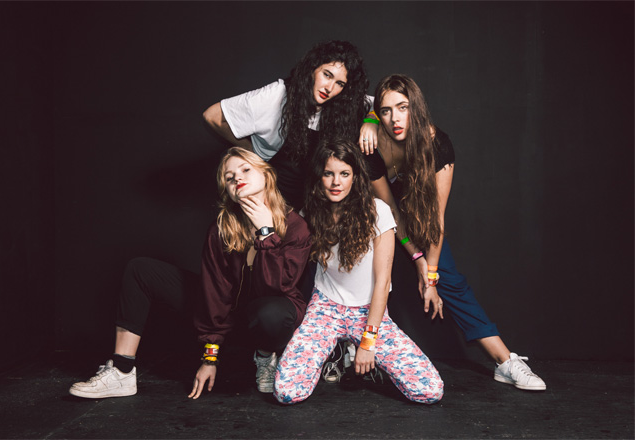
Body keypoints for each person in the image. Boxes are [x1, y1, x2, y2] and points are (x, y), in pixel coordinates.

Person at [69, 147, 311, 399]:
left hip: (268, 319)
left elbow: (277, 287)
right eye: (229, 177)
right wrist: (210, 357)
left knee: (270, 311)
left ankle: (265, 356)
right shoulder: (222, 228)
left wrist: (266, 234)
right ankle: (122, 371)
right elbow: (215, 292)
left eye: (246, 169)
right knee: (140, 269)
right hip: (231, 317)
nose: (237, 178)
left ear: (267, 175)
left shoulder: (296, 228)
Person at [362, 74, 546, 391]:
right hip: (376, 217)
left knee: (449, 282)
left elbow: (436, 219)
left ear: (416, 107)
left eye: (403, 107)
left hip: (419, 218)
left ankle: (505, 361)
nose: (395, 118)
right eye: (386, 111)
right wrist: (416, 258)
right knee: (364, 275)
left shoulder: (437, 145)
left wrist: (430, 274)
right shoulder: (372, 145)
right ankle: (349, 350)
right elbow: (389, 210)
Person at [273, 140, 444, 404]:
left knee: (430, 391)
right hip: (325, 307)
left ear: (355, 177)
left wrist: (368, 342)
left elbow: (382, 282)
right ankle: (334, 351)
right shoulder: (310, 213)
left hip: (368, 311)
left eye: (344, 174)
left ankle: (351, 346)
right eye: (328, 173)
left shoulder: (378, 211)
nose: (336, 182)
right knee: (287, 392)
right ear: (319, 177)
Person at [203, 40, 372, 211]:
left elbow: (378, 102)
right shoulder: (276, 96)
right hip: (269, 200)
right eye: (327, 75)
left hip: (309, 207)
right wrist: (250, 150)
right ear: (312, 68)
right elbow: (212, 116)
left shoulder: (343, 106)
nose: (329, 88)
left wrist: (372, 121)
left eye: (339, 84)